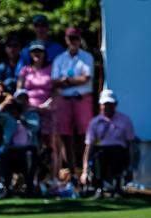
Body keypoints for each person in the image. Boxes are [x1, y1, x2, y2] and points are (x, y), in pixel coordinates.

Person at [52, 27, 94, 178]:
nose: (73, 41)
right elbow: (55, 81)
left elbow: (86, 78)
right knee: (65, 136)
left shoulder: (87, 57)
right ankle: (71, 170)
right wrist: (74, 81)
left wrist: (66, 81)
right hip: (65, 100)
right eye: (70, 38)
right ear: (66, 39)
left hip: (82, 99)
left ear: (79, 39)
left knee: (85, 136)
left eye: (75, 38)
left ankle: (85, 169)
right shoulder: (60, 59)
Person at [81, 89, 135, 197]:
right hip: (101, 151)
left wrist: (131, 166)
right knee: (99, 157)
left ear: (115, 105)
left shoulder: (125, 120)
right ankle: (99, 188)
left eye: (110, 104)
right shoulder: (94, 122)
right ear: (100, 105)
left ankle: (117, 186)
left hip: (118, 151)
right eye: (104, 104)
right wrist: (85, 170)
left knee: (116, 154)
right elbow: (89, 146)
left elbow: (131, 145)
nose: (107, 107)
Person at [0, 89, 41, 198]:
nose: (22, 101)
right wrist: (4, 103)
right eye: (19, 99)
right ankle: (6, 188)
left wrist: (22, 119)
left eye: (24, 99)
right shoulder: (8, 118)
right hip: (12, 150)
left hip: (28, 150)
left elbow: (35, 127)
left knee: (30, 155)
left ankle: (29, 188)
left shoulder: (32, 115)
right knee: (3, 154)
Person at [17, 43, 55, 180]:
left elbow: (55, 91)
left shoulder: (50, 69)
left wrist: (45, 106)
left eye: (40, 51)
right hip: (29, 111)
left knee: (48, 145)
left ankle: (49, 178)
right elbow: (19, 92)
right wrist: (27, 107)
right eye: (34, 52)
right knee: (31, 143)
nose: (37, 54)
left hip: (47, 110)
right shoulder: (25, 70)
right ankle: (29, 177)